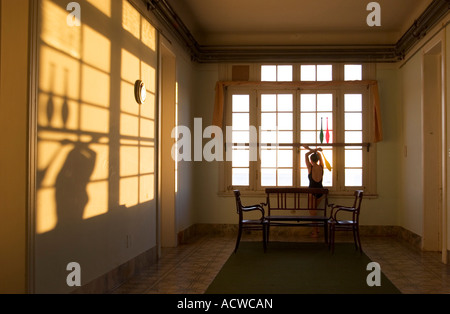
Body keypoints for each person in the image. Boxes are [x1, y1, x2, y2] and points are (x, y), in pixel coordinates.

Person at [304, 145, 325, 237]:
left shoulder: (310, 167)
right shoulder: (321, 166)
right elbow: (319, 155)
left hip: (312, 191)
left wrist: (309, 149)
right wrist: (317, 151)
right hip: (321, 191)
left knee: (312, 212)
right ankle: (317, 230)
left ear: (311, 161)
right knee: (314, 211)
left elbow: (306, 155)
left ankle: (315, 232)